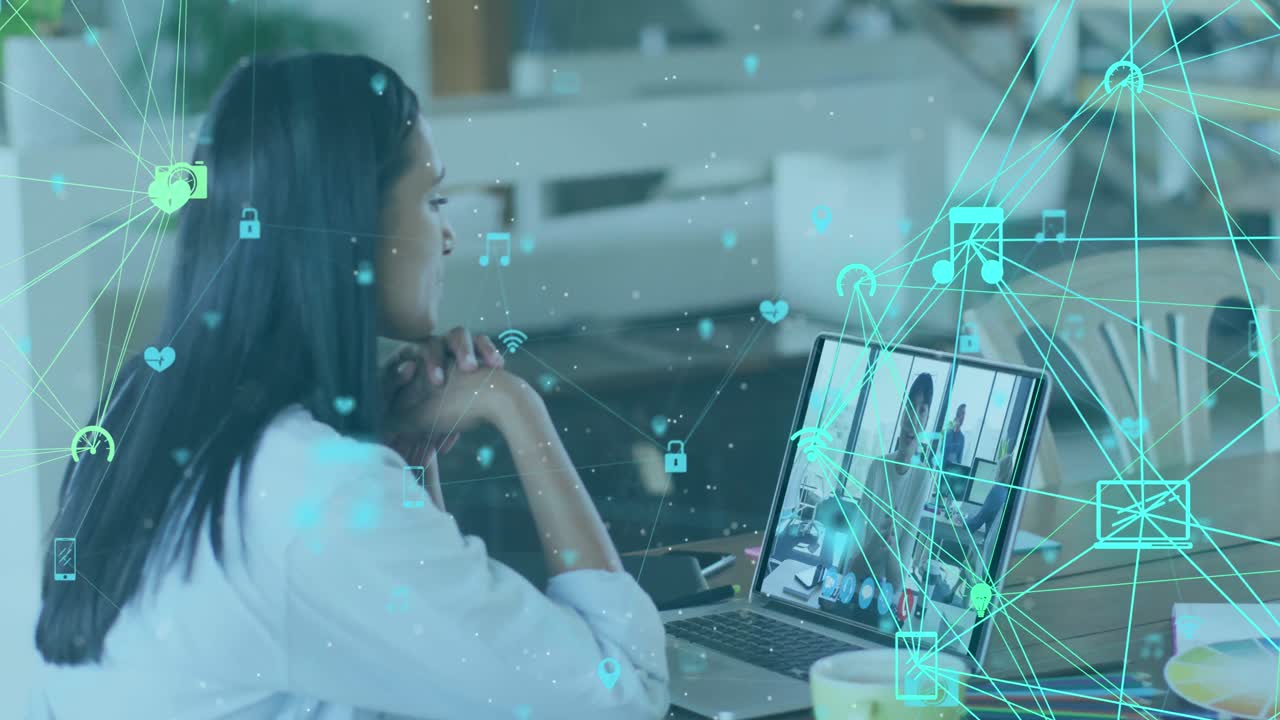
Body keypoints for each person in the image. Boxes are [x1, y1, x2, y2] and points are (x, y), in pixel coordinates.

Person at [29, 55, 669, 719]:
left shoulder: (143, 408)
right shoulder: (313, 488)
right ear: (352, 226)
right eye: (432, 200)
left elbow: (435, 672)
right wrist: (518, 409)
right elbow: (623, 695)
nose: (448, 235)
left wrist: (410, 461)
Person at [852, 373, 935, 593]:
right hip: (858, 583)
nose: (913, 418)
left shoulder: (923, 477)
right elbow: (851, 567)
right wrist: (877, 540)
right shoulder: (878, 466)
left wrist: (891, 547)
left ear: (926, 421)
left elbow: (896, 583)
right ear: (902, 413)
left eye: (922, 410)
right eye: (910, 407)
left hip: (885, 592)